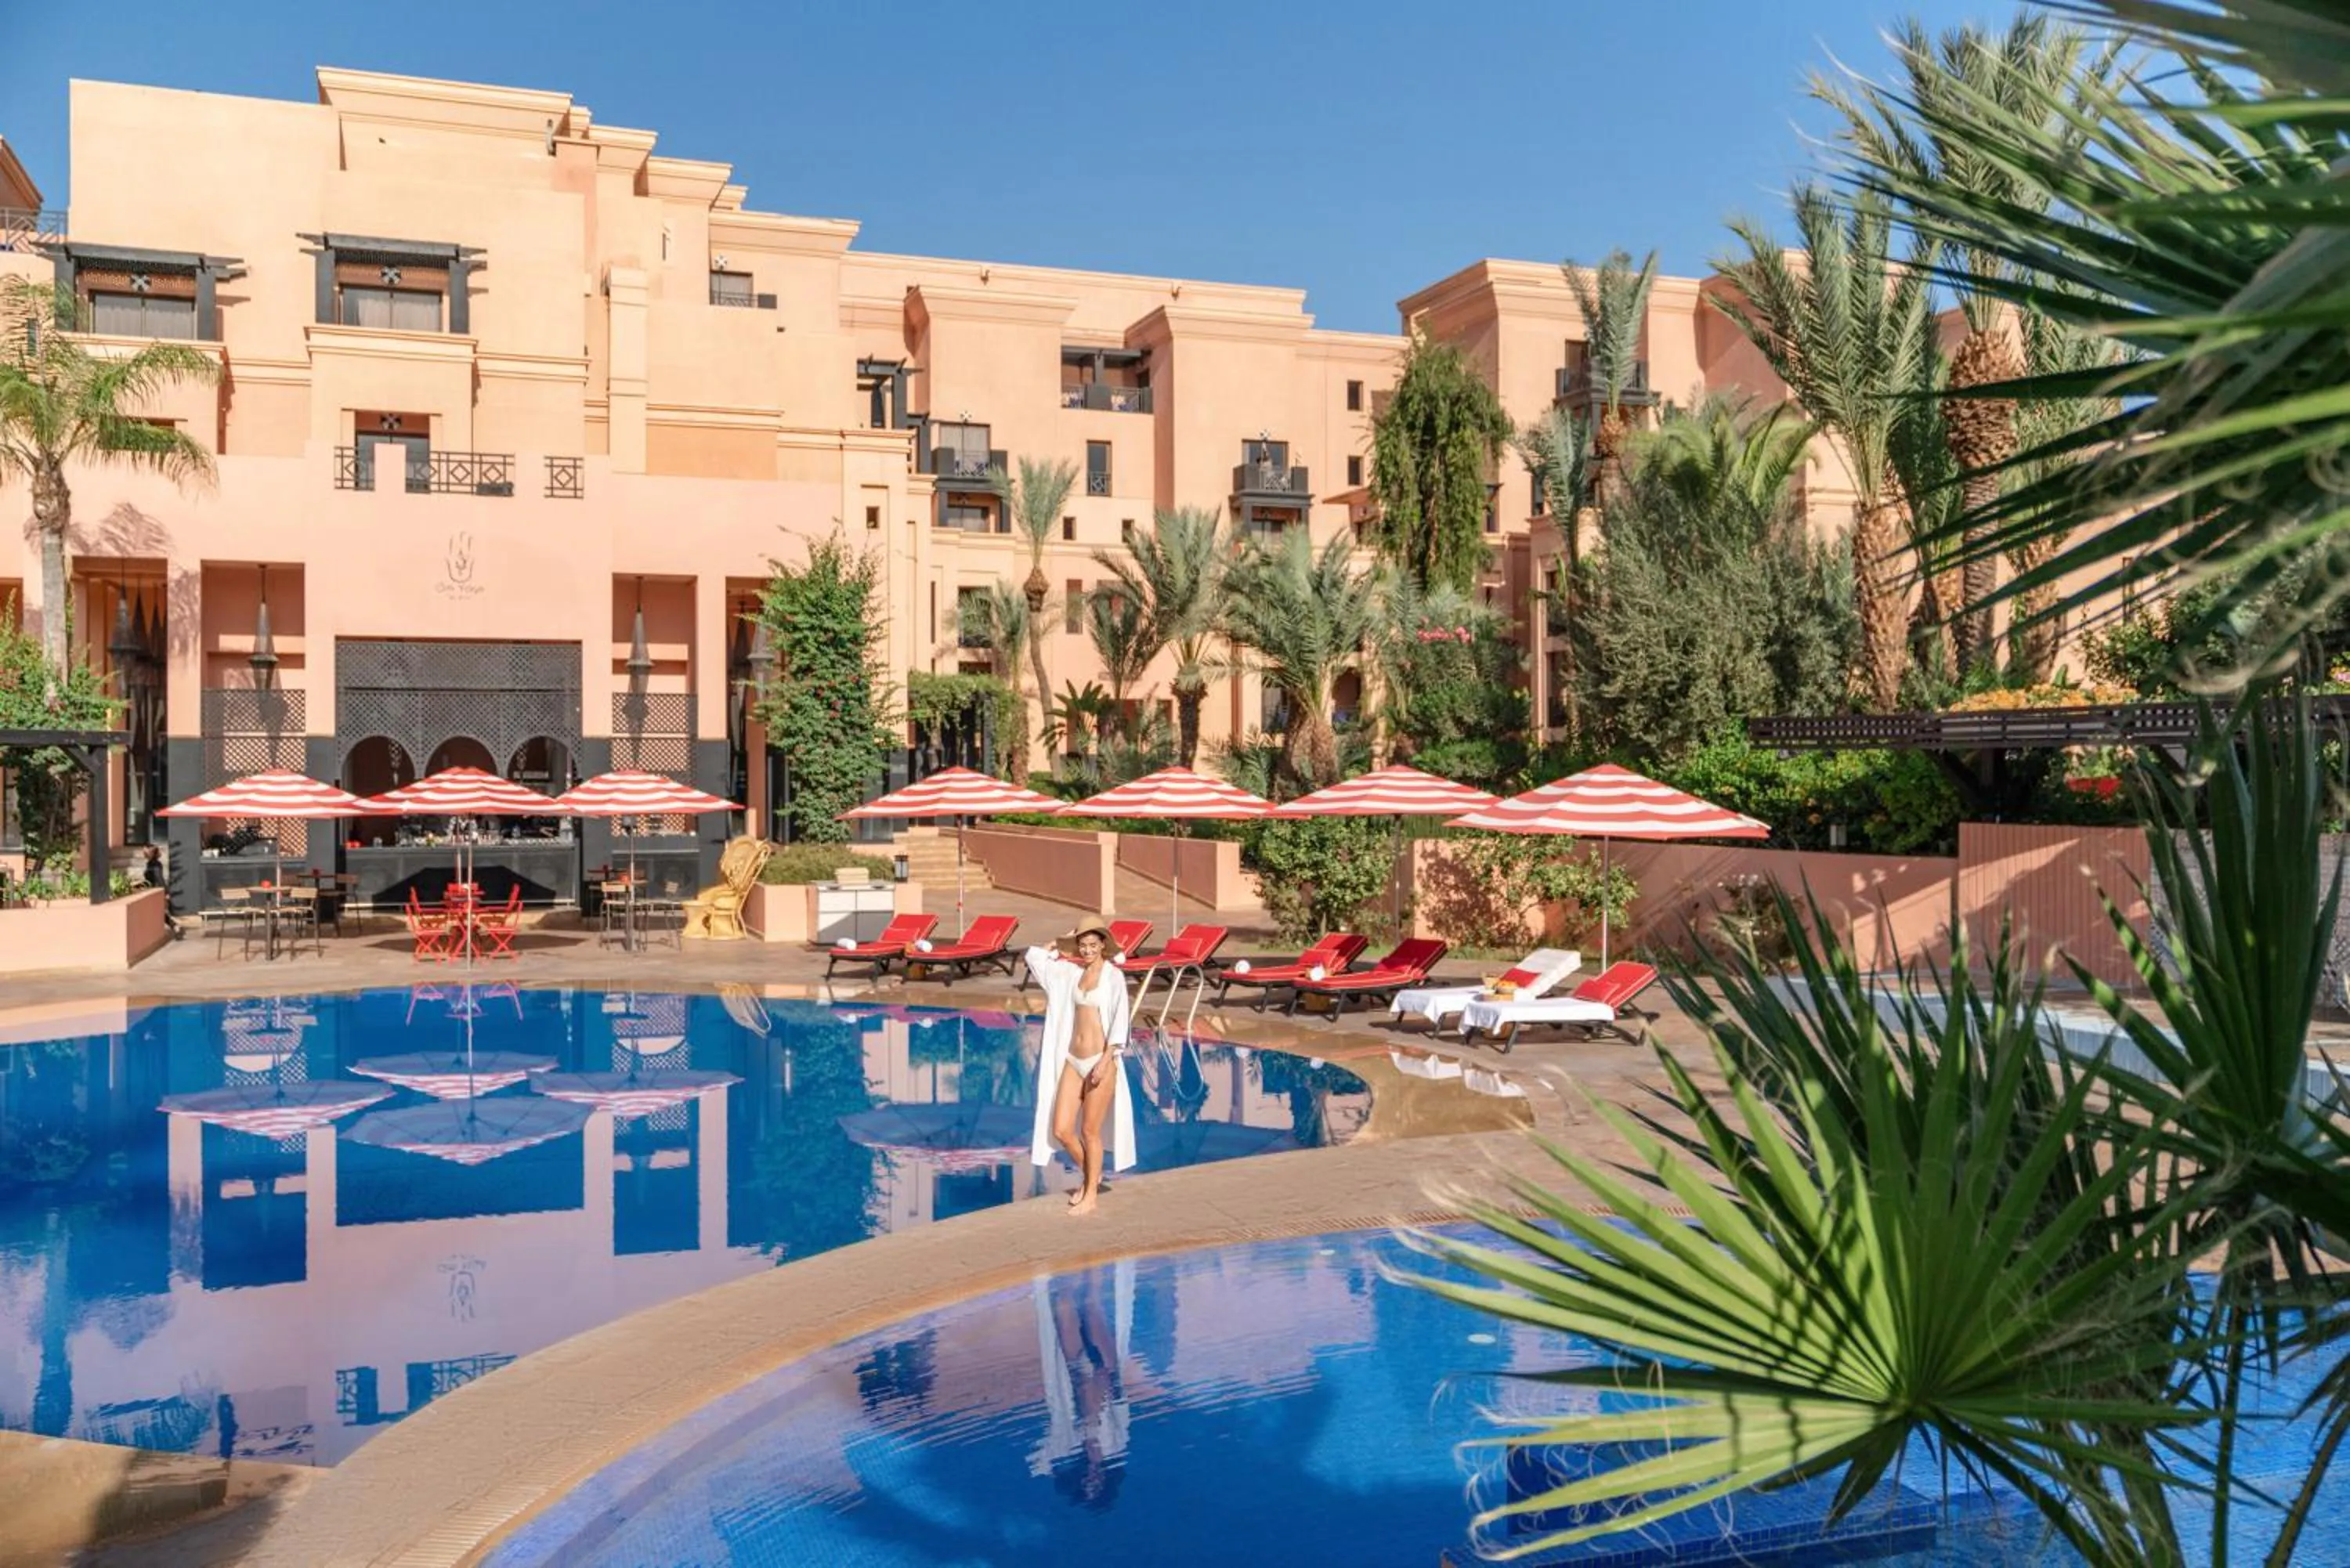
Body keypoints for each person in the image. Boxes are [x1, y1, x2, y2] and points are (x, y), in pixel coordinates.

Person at [1024, 917, 1137, 1216]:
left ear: (1103, 946)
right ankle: (1092, 1176)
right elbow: (1034, 958)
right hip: (1073, 1060)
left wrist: (1105, 1060)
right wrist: (1057, 942)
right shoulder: (1070, 974)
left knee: (1090, 1132)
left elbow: (1121, 1021)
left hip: (1101, 1061)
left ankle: (1090, 1195)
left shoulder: (1113, 977)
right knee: (1061, 1128)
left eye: (1092, 945)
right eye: (1082, 945)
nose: (1087, 950)